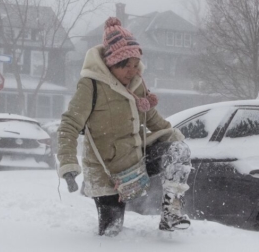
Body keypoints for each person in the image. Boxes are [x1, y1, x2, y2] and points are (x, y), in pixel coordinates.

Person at [57, 17, 192, 236]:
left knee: (178, 149)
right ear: (111, 63)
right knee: (112, 232)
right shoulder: (91, 85)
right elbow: (69, 125)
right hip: (106, 171)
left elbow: (154, 119)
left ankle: (172, 213)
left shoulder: (136, 85)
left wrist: (178, 140)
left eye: (135, 65)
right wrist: (68, 164)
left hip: (136, 160)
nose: (133, 71)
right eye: (126, 66)